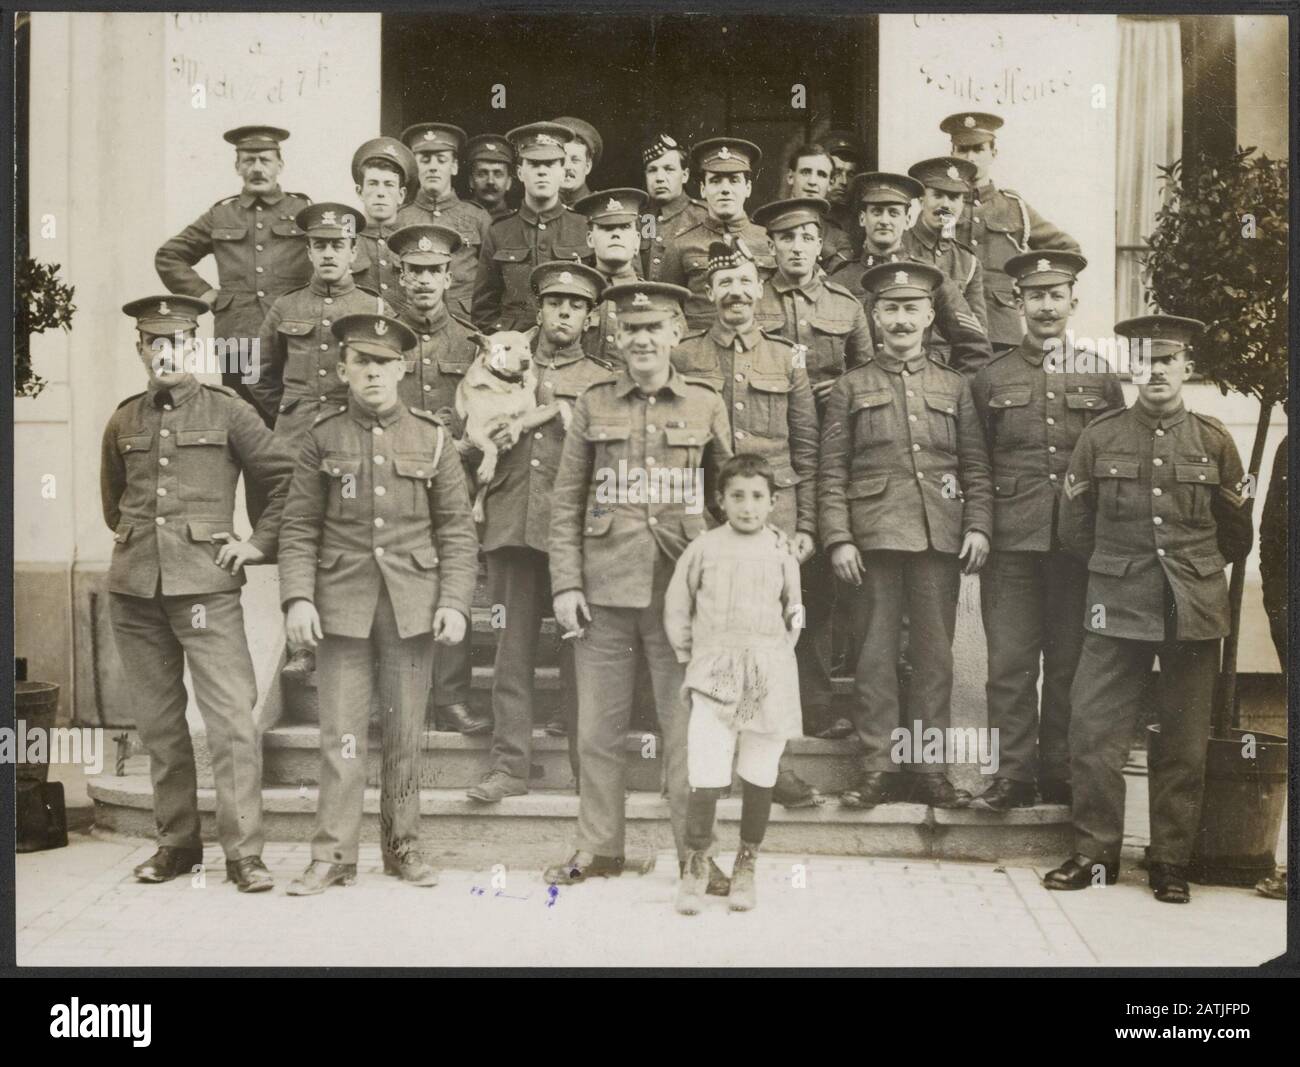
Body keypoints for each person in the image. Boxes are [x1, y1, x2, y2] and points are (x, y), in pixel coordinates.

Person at [1045, 315, 1253, 904]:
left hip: (1191, 606)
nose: (1157, 371)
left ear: (1188, 368)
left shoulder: (1215, 440)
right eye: (1146, 361)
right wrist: (1119, 567)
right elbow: (1075, 530)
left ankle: (1169, 861)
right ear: (1131, 369)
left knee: (1182, 742)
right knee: (1094, 734)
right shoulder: (1100, 437)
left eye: (1169, 361)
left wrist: (1191, 570)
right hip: (1115, 602)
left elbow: (1236, 535)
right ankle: (1093, 854)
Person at [543, 280, 734, 893]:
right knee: (597, 730)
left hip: (682, 596)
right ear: (616, 336)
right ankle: (599, 850)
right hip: (603, 590)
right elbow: (567, 501)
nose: (643, 338)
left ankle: (695, 855)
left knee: (687, 736)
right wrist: (565, 585)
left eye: (655, 328)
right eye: (631, 329)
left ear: (677, 333)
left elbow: (731, 500)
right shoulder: (595, 402)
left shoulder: (705, 402)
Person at [279, 312, 479, 895]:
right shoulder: (320, 437)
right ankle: (333, 857)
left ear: (403, 367)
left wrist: (456, 603)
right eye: (361, 362)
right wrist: (297, 598)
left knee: (404, 732)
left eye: (384, 362)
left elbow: (457, 532)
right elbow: (297, 529)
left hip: (412, 604)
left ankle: (403, 848)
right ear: (342, 369)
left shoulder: (432, 436)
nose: (373, 373)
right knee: (340, 734)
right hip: (341, 604)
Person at [102, 295, 293, 892]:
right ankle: (177, 844)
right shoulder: (124, 419)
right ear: (140, 350)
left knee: (232, 722)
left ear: (199, 347)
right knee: (159, 726)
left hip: (206, 589)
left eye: (180, 342)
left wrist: (257, 544)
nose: (167, 353)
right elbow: (115, 508)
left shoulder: (229, 412)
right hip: (135, 591)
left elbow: (285, 481)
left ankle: (244, 855)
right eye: (155, 343)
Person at [819, 261, 993, 809]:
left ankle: (930, 771)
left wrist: (979, 525)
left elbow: (976, 467)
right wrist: (839, 538)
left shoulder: (954, 386)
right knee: (873, 658)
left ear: (929, 316)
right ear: (873, 316)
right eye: (890, 309)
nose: (900, 319)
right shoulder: (851, 387)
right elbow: (831, 471)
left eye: (911, 308)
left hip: (938, 538)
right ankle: (878, 769)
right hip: (871, 541)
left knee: (934, 659)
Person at [970, 251, 1125, 810]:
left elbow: (1114, 462)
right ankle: (1012, 774)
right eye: (1035, 296)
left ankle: (1058, 771)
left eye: (1056, 295)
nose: (1045, 306)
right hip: (1012, 544)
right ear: (1018, 303)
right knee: (1009, 665)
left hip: (1078, 549)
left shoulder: (1101, 376)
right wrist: (981, 530)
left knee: (1068, 664)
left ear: (1072, 303)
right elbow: (976, 465)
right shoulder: (991, 377)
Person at [672, 237, 821, 806]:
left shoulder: (787, 357)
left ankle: (768, 767)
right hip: (711, 520)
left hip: (774, 517)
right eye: (724, 284)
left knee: (771, 646)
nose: (735, 293)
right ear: (709, 295)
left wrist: (803, 521)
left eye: (744, 283)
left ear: (760, 291)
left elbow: (806, 445)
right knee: (715, 638)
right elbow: (682, 448)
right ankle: (708, 762)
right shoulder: (686, 356)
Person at [468, 262, 614, 802]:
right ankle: (509, 767)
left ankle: (587, 769)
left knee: (582, 656)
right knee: (511, 652)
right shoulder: (501, 360)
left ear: (590, 316)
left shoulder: (601, 377)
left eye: (576, 305)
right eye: (555, 303)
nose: (564, 313)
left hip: (573, 536)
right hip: (510, 523)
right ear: (540, 310)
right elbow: (470, 430)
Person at [249, 202, 389, 681]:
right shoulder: (285, 307)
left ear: (354, 250)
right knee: (298, 530)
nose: (329, 253)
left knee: (351, 532)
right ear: (308, 250)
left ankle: (359, 635)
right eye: (320, 245)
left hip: (353, 433)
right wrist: (288, 411)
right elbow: (258, 374)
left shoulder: (373, 307)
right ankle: (302, 644)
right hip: (296, 435)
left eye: (338, 245)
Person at [751, 195, 872, 741]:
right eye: (785, 238)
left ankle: (817, 704)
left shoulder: (847, 305)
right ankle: (758, 705)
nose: (796, 247)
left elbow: (869, 377)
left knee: (816, 583)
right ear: (771, 246)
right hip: (773, 451)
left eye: (806, 238)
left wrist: (837, 389)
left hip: (834, 449)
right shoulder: (751, 298)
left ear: (821, 245)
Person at [664, 454, 804, 915]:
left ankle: (748, 862)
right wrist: (692, 657)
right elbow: (678, 606)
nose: (748, 507)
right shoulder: (704, 548)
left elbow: (793, 611)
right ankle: (697, 865)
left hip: (767, 669)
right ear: (720, 501)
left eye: (758, 497)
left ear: (773, 502)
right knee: (706, 770)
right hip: (714, 670)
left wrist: (776, 655)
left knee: (760, 770)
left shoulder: (781, 550)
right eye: (737, 497)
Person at [388, 222, 486, 735]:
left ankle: (450, 696)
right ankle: (400, 697)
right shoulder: (383, 338)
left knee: (453, 578)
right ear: (400, 277)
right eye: (414, 271)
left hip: (454, 477)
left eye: (434, 271)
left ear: (450, 277)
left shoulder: (472, 344)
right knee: (395, 580)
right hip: (393, 479)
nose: (424, 280)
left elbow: (487, 411)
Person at [155, 125, 311, 418]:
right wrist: (204, 293)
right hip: (237, 336)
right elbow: (169, 255)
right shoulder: (221, 215)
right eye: (248, 160)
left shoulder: (302, 210)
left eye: (265, 160)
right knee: (241, 421)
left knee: (291, 421)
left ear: (280, 164)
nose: (257, 168)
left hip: (292, 334)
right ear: (237, 165)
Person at [940, 111, 1080, 354]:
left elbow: (1069, 250)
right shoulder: (941, 207)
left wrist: (1035, 283)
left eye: (978, 149)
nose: (970, 157)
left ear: (993, 153)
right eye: (963, 150)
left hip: (1002, 330)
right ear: (952, 154)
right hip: (950, 328)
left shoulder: (1014, 207)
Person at [829, 172, 992, 377]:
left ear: (907, 220)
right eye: (877, 212)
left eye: (893, 213)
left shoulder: (930, 278)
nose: (884, 220)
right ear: (863, 218)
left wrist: (949, 392)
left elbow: (975, 347)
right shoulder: (839, 280)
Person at [472, 122, 589, 332]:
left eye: (550, 164)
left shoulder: (584, 226)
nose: (542, 171)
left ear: (562, 172)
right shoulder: (499, 231)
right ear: (519, 172)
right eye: (534, 164)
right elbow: (483, 310)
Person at [657, 137, 775, 331]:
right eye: (716, 181)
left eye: (734, 180)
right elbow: (667, 307)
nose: (725, 189)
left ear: (748, 188)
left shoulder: (767, 240)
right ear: (703, 189)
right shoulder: (680, 244)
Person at [395, 123, 492, 319]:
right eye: (425, 160)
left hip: (466, 321)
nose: (433, 167)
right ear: (414, 166)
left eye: (441, 160)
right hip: (412, 319)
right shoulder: (399, 218)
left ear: (454, 166)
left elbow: (491, 281)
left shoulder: (478, 217)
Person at [905, 157, 988, 337]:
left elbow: (978, 332)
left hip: (954, 361)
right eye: (937, 195)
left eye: (953, 197)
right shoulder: (900, 246)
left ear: (961, 203)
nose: (945, 205)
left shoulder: (969, 262)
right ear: (921, 199)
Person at [572, 187, 647, 369]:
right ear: (590, 239)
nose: (616, 233)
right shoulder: (572, 296)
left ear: (637, 241)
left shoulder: (655, 297)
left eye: (625, 227)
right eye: (606, 227)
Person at [350, 136, 417, 310]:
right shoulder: (345, 240)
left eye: (389, 184)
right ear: (359, 191)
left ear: (401, 194)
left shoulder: (414, 240)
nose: (381, 192)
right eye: (373, 184)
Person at [641, 132, 707, 283]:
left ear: (685, 175)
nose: (659, 178)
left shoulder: (704, 217)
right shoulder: (641, 218)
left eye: (669, 169)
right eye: (652, 170)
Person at [782, 143, 854, 274]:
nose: (812, 181)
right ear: (790, 177)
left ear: (830, 183)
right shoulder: (765, 227)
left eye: (821, 174)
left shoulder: (839, 240)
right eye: (806, 172)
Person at [465, 134, 516, 221]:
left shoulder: (516, 222)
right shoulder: (457, 217)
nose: (490, 181)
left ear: (509, 182)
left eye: (498, 174)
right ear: (471, 181)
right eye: (482, 173)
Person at [554, 116, 601, 207]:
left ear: (587, 167)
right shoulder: (535, 209)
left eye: (575, 160)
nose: (567, 166)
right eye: (561, 160)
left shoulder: (599, 207)